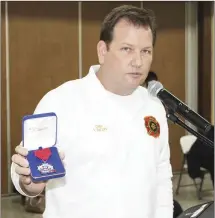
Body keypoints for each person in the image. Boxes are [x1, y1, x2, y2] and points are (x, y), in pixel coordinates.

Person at [11, 5, 173, 218]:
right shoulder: (60, 101)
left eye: (146, 51)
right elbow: (24, 169)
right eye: (127, 49)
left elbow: (161, 176)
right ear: (102, 51)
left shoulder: (154, 106)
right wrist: (28, 183)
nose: (138, 61)